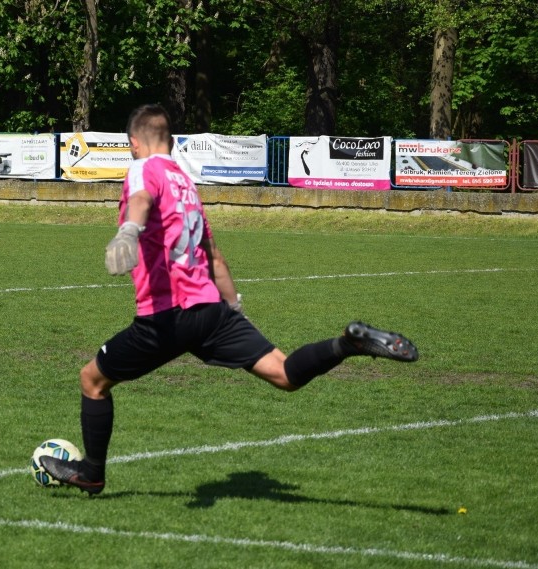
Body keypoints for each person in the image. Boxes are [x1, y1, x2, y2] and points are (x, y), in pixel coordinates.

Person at [41, 104, 418, 495]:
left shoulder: (143, 168)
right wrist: (234, 311)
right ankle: (348, 343)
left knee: (93, 380)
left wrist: (128, 232)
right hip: (211, 309)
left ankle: (92, 472)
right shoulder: (186, 184)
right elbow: (214, 255)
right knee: (285, 373)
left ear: (135, 143)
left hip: (169, 315)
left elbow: (140, 199)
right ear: (170, 139)